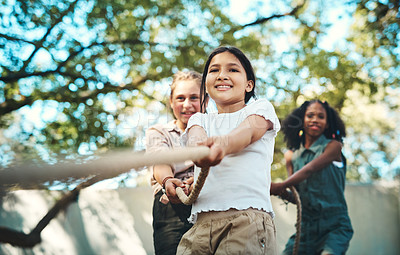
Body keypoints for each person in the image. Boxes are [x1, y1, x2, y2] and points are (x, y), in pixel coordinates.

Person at [175, 46, 280, 254]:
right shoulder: (199, 119)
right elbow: (196, 139)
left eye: (232, 70)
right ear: (206, 83)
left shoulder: (261, 109)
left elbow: (248, 133)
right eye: (214, 70)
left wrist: (220, 146)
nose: (222, 75)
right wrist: (199, 151)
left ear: (249, 85)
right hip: (201, 226)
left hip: (246, 221)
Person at [270, 100, 353, 255]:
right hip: (305, 230)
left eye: (321, 116)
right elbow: (297, 197)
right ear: (302, 121)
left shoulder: (334, 147)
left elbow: (310, 169)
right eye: (310, 115)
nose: (315, 119)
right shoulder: (291, 156)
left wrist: (280, 185)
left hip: (334, 227)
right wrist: (278, 191)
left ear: (327, 124)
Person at [145, 70, 205, 255]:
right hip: (170, 206)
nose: (187, 105)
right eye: (180, 98)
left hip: (207, 202)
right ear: (171, 102)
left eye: (194, 97)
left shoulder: (216, 131)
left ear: (205, 101)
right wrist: (168, 181)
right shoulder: (159, 131)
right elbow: (160, 161)